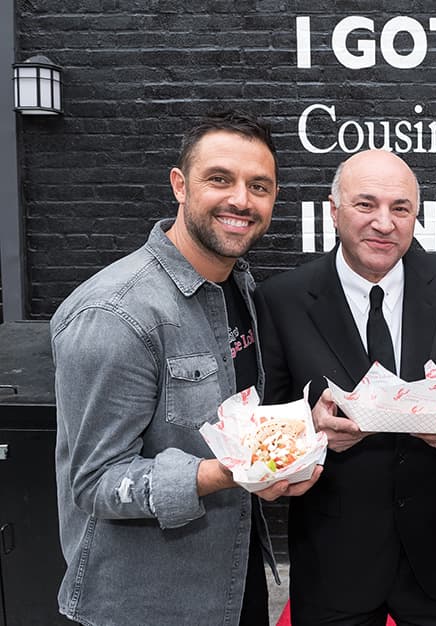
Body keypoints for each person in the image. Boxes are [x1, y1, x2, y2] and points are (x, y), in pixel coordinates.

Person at [51, 110, 321, 626]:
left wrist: (305, 430)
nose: (241, 200)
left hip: (233, 580)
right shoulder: (114, 314)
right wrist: (232, 474)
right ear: (180, 185)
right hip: (146, 604)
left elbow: (235, 423)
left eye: (258, 186)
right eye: (220, 179)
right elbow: (95, 483)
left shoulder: (237, 286)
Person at [253, 149, 436, 625]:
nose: (384, 223)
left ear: (416, 215)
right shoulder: (281, 299)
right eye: (366, 205)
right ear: (334, 208)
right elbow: (266, 412)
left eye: (400, 208)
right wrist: (311, 427)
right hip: (333, 558)